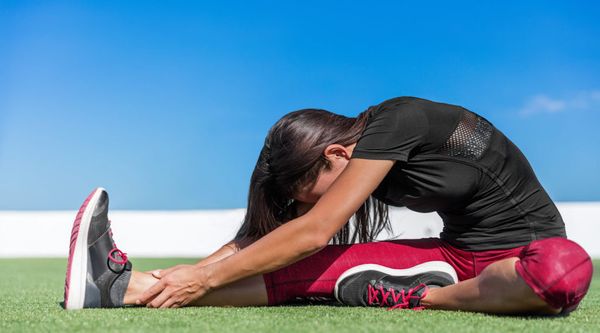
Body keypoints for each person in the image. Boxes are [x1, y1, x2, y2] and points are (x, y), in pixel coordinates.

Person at [62, 96, 593, 315]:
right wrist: (193, 273)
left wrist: (202, 282)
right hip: (460, 254)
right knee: (311, 267)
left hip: (525, 258)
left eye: (309, 192)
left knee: (561, 271)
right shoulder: (368, 142)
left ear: (336, 154)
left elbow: (314, 230)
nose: (320, 205)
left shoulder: (394, 122)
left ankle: (429, 297)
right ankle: (120, 287)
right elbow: (274, 235)